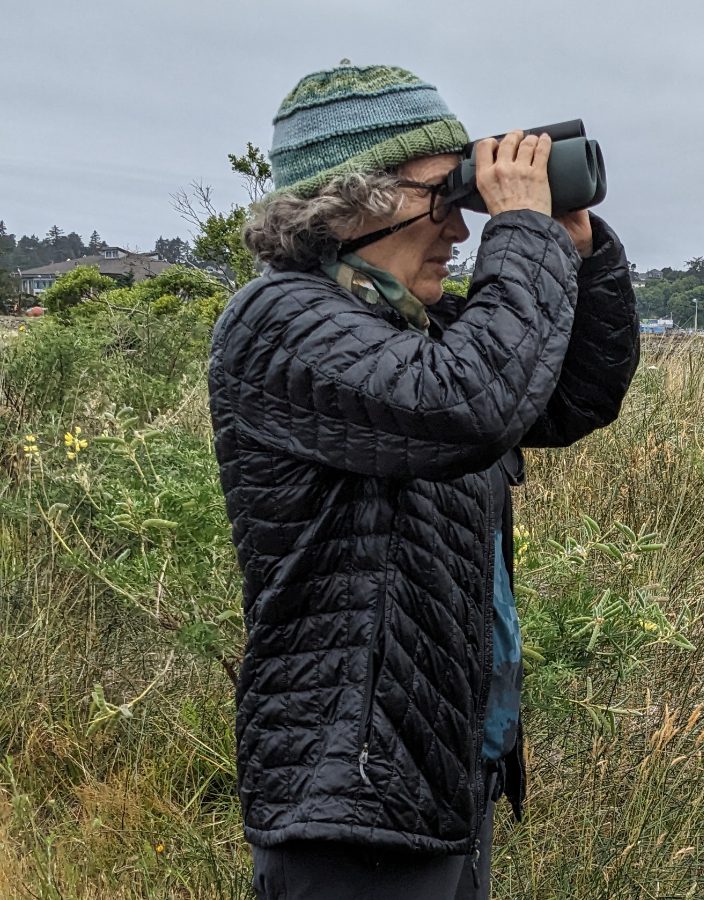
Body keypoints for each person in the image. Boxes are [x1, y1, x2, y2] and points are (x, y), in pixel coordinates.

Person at [208, 62, 639, 899]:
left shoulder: (409, 329)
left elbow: (570, 398)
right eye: (445, 194)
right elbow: (467, 406)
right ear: (354, 203)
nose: (462, 225)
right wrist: (523, 232)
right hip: (351, 793)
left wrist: (578, 249)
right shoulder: (281, 325)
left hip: (436, 768)